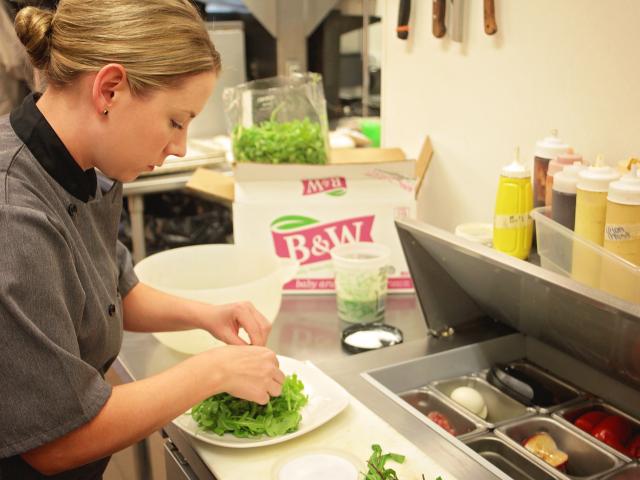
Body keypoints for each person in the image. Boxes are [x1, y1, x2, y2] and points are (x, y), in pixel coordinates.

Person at [0, 1, 285, 478]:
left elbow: (112, 290)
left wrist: (207, 315)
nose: (181, 147)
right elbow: (54, 443)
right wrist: (212, 372)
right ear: (110, 89)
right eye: (176, 121)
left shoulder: (84, 167)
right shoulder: (14, 214)